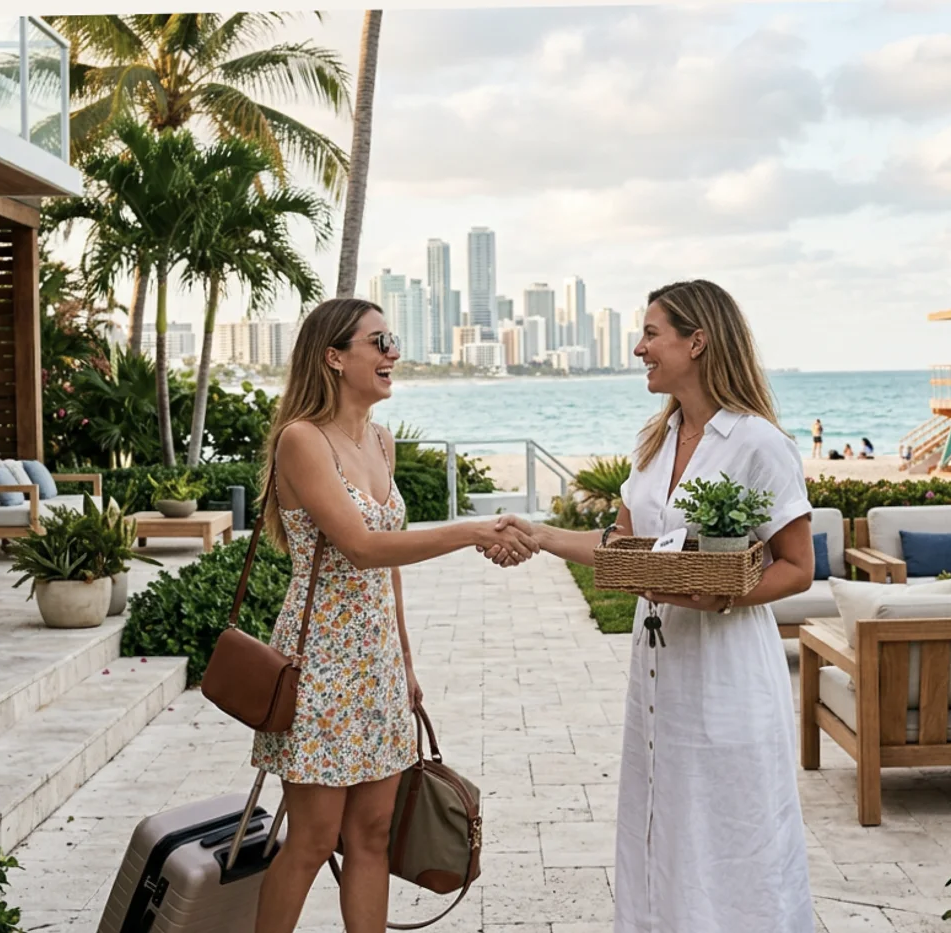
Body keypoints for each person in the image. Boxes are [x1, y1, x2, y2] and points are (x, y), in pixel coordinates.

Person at [490, 279, 815, 932]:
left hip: (727, 671)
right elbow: (621, 546)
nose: (639, 349)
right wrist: (540, 535)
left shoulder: (757, 443)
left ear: (697, 342)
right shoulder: (657, 441)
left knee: (732, 826)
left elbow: (798, 567)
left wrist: (720, 593)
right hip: (658, 673)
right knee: (662, 823)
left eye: (650, 334)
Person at [248, 298, 538, 933]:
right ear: (334, 357)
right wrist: (469, 532)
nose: (393, 353)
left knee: (373, 833)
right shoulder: (302, 439)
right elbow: (362, 546)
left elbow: (389, 567)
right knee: (312, 840)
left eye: (392, 340)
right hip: (320, 662)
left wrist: (404, 659)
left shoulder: (382, 440)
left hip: (376, 661)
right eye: (379, 342)